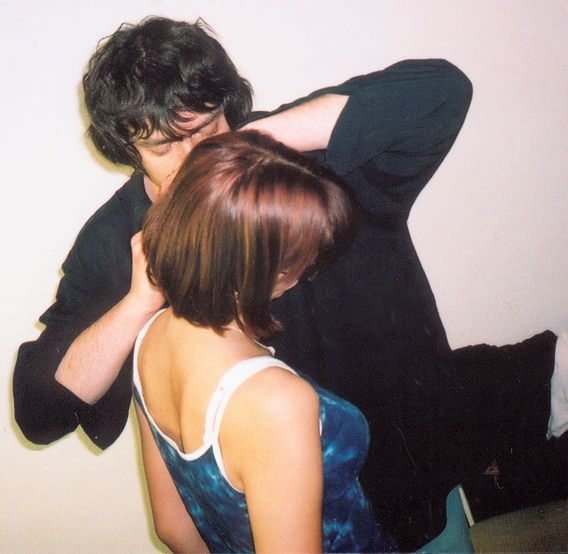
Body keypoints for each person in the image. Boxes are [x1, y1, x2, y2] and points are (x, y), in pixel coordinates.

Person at [12, 16, 566, 550]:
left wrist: (252, 145)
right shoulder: (115, 239)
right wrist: (139, 302)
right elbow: (41, 412)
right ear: (127, 149)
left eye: (205, 131)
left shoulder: (304, 161)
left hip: (413, 477)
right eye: (163, 147)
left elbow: (444, 92)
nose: (194, 159)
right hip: (270, 521)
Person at [133, 130, 397, 553]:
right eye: (301, 257)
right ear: (261, 269)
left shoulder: (149, 339)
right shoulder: (276, 401)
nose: (308, 268)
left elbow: (173, 528)